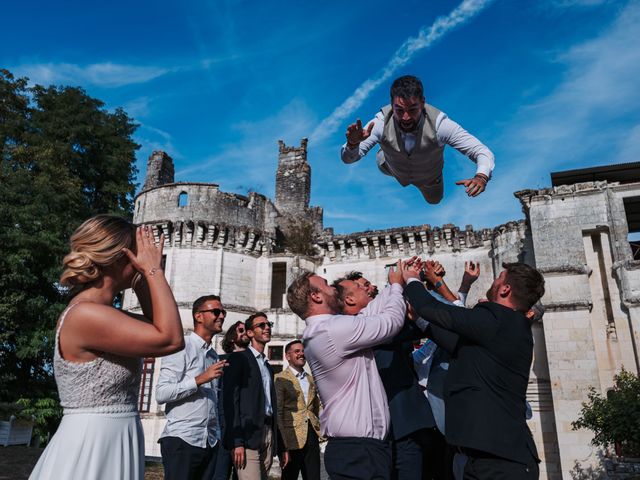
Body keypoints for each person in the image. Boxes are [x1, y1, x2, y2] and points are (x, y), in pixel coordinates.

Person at [30, 216, 183, 480]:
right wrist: (152, 271)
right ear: (117, 258)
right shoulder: (85, 315)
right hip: (92, 441)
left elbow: (154, 325)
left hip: (114, 435)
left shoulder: (102, 313)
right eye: (139, 252)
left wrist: (140, 280)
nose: (144, 258)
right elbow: (170, 338)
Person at [403, 261, 545, 480]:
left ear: (505, 289)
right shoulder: (508, 328)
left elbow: (437, 311)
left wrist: (411, 279)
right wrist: (420, 321)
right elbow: (454, 342)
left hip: (498, 463)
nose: (495, 281)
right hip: (487, 459)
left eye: (499, 278)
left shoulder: (497, 319)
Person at [286, 264, 406, 480]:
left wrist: (400, 279)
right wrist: (397, 286)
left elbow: (369, 313)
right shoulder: (332, 329)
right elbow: (390, 323)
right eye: (325, 286)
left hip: (359, 449)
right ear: (315, 296)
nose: (333, 288)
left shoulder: (325, 329)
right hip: (358, 450)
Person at [334, 276, 433, 480]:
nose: (371, 288)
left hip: (402, 425)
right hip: (387, 428)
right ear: (349, 300)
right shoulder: (358, 330)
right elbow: (407, 325)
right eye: (361, 286)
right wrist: (406, 283)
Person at [341, 75, 494, 204]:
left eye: (412, 109)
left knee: (434, 200)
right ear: (391, 104)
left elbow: (481, 151)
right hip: (389, 164)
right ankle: (387, 153)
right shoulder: (380, 122)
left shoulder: (440, 125)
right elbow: (348, 159)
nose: (405, 117)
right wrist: (353, 143)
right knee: (383, 158)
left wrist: (481, 177)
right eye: (399, 110)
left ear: (422, 102)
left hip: (429, 176)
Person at [155, 295, 228, 480]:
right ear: (199, 316)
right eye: (216, 311)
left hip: (209, 442)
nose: (221, 316)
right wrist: (200, 379)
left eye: (223, 312)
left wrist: (216, 435)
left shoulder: (213, 355)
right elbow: (162, 393)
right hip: (182, 440)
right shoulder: (182, 346)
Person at [223, 313, 288, 480]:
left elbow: (271, 406)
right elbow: (231, 401)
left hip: (267, 434)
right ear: (250, 333)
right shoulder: (239, 359)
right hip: (247, 434)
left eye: (268, 324)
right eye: (262, 325)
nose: (267, 328)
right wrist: (237, 441)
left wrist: (280, 445)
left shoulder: (266, 365)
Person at [275, 340, 322, 480]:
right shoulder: (280, 379)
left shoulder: (311, 379)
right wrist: (282, 444)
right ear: (287, 356)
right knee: (289, 476)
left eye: (303, 351)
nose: (301, 354)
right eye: (297, 351)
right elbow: (279, 412)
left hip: (312, 435)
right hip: (291, 437)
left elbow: (316, 407)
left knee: (313, 476)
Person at [214, 320, 250, 480]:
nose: (245, 333)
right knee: (220, 474)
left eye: (246, 330)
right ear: (231, 338)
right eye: (241, 330)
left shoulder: (253, 363)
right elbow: (224, 397)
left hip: (247, 429)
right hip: (225, 427)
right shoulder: (223, 361)